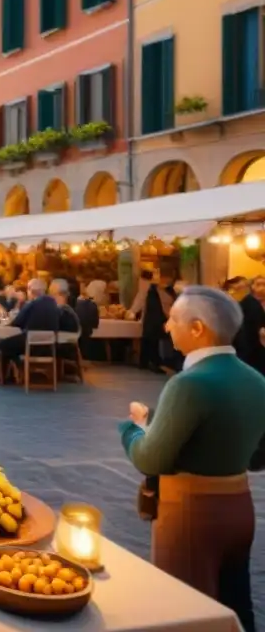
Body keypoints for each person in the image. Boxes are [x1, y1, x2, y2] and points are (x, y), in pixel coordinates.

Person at [119, 286, 265, 632]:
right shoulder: (257, 380)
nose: (167, 327)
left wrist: (133, 427)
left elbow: (150, 459)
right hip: (240, 509)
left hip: (190, 512)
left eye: (173, 319)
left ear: (198, 328)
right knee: (235, 605)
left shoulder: (189, 383)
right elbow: (257, 458)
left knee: (183, 610)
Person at [0, 278, 59, 368]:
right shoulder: (53, 303)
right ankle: (20, 369)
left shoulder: (31, 304)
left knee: (1, 343)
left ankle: (18, 368)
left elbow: (17, 322)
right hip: (49, 346)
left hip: (30, 344)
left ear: (31, 290)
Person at [130, 269, 173, 373]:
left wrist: (132, 311)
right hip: (156, 317)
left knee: (149, 339)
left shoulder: (146, 286)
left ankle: (147, 362)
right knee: (151, 339)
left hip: (152, 317)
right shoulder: (157, 287)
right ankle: (150, 362)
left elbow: (140, 299)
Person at [236, 275, 265, 377]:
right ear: (252, 287)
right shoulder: (248, 303)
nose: (262, 288)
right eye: (258, 284)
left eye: (264, 284)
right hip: (251, 351)